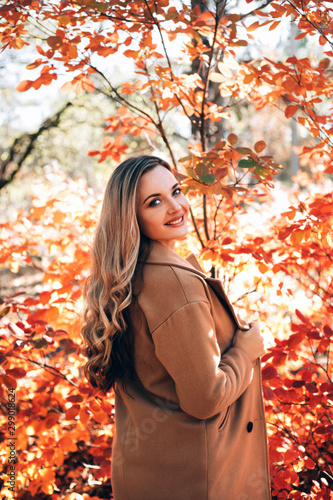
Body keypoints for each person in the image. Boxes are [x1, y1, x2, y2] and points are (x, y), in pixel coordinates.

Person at [81, 155, 272, 500]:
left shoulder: (129, 277)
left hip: (146, 474)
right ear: (132, 218)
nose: (176, 207)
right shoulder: (173, 283)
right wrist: (246, 350)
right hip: (200, 482)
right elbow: (205, 398)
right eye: (155, 202)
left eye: (176, 191)